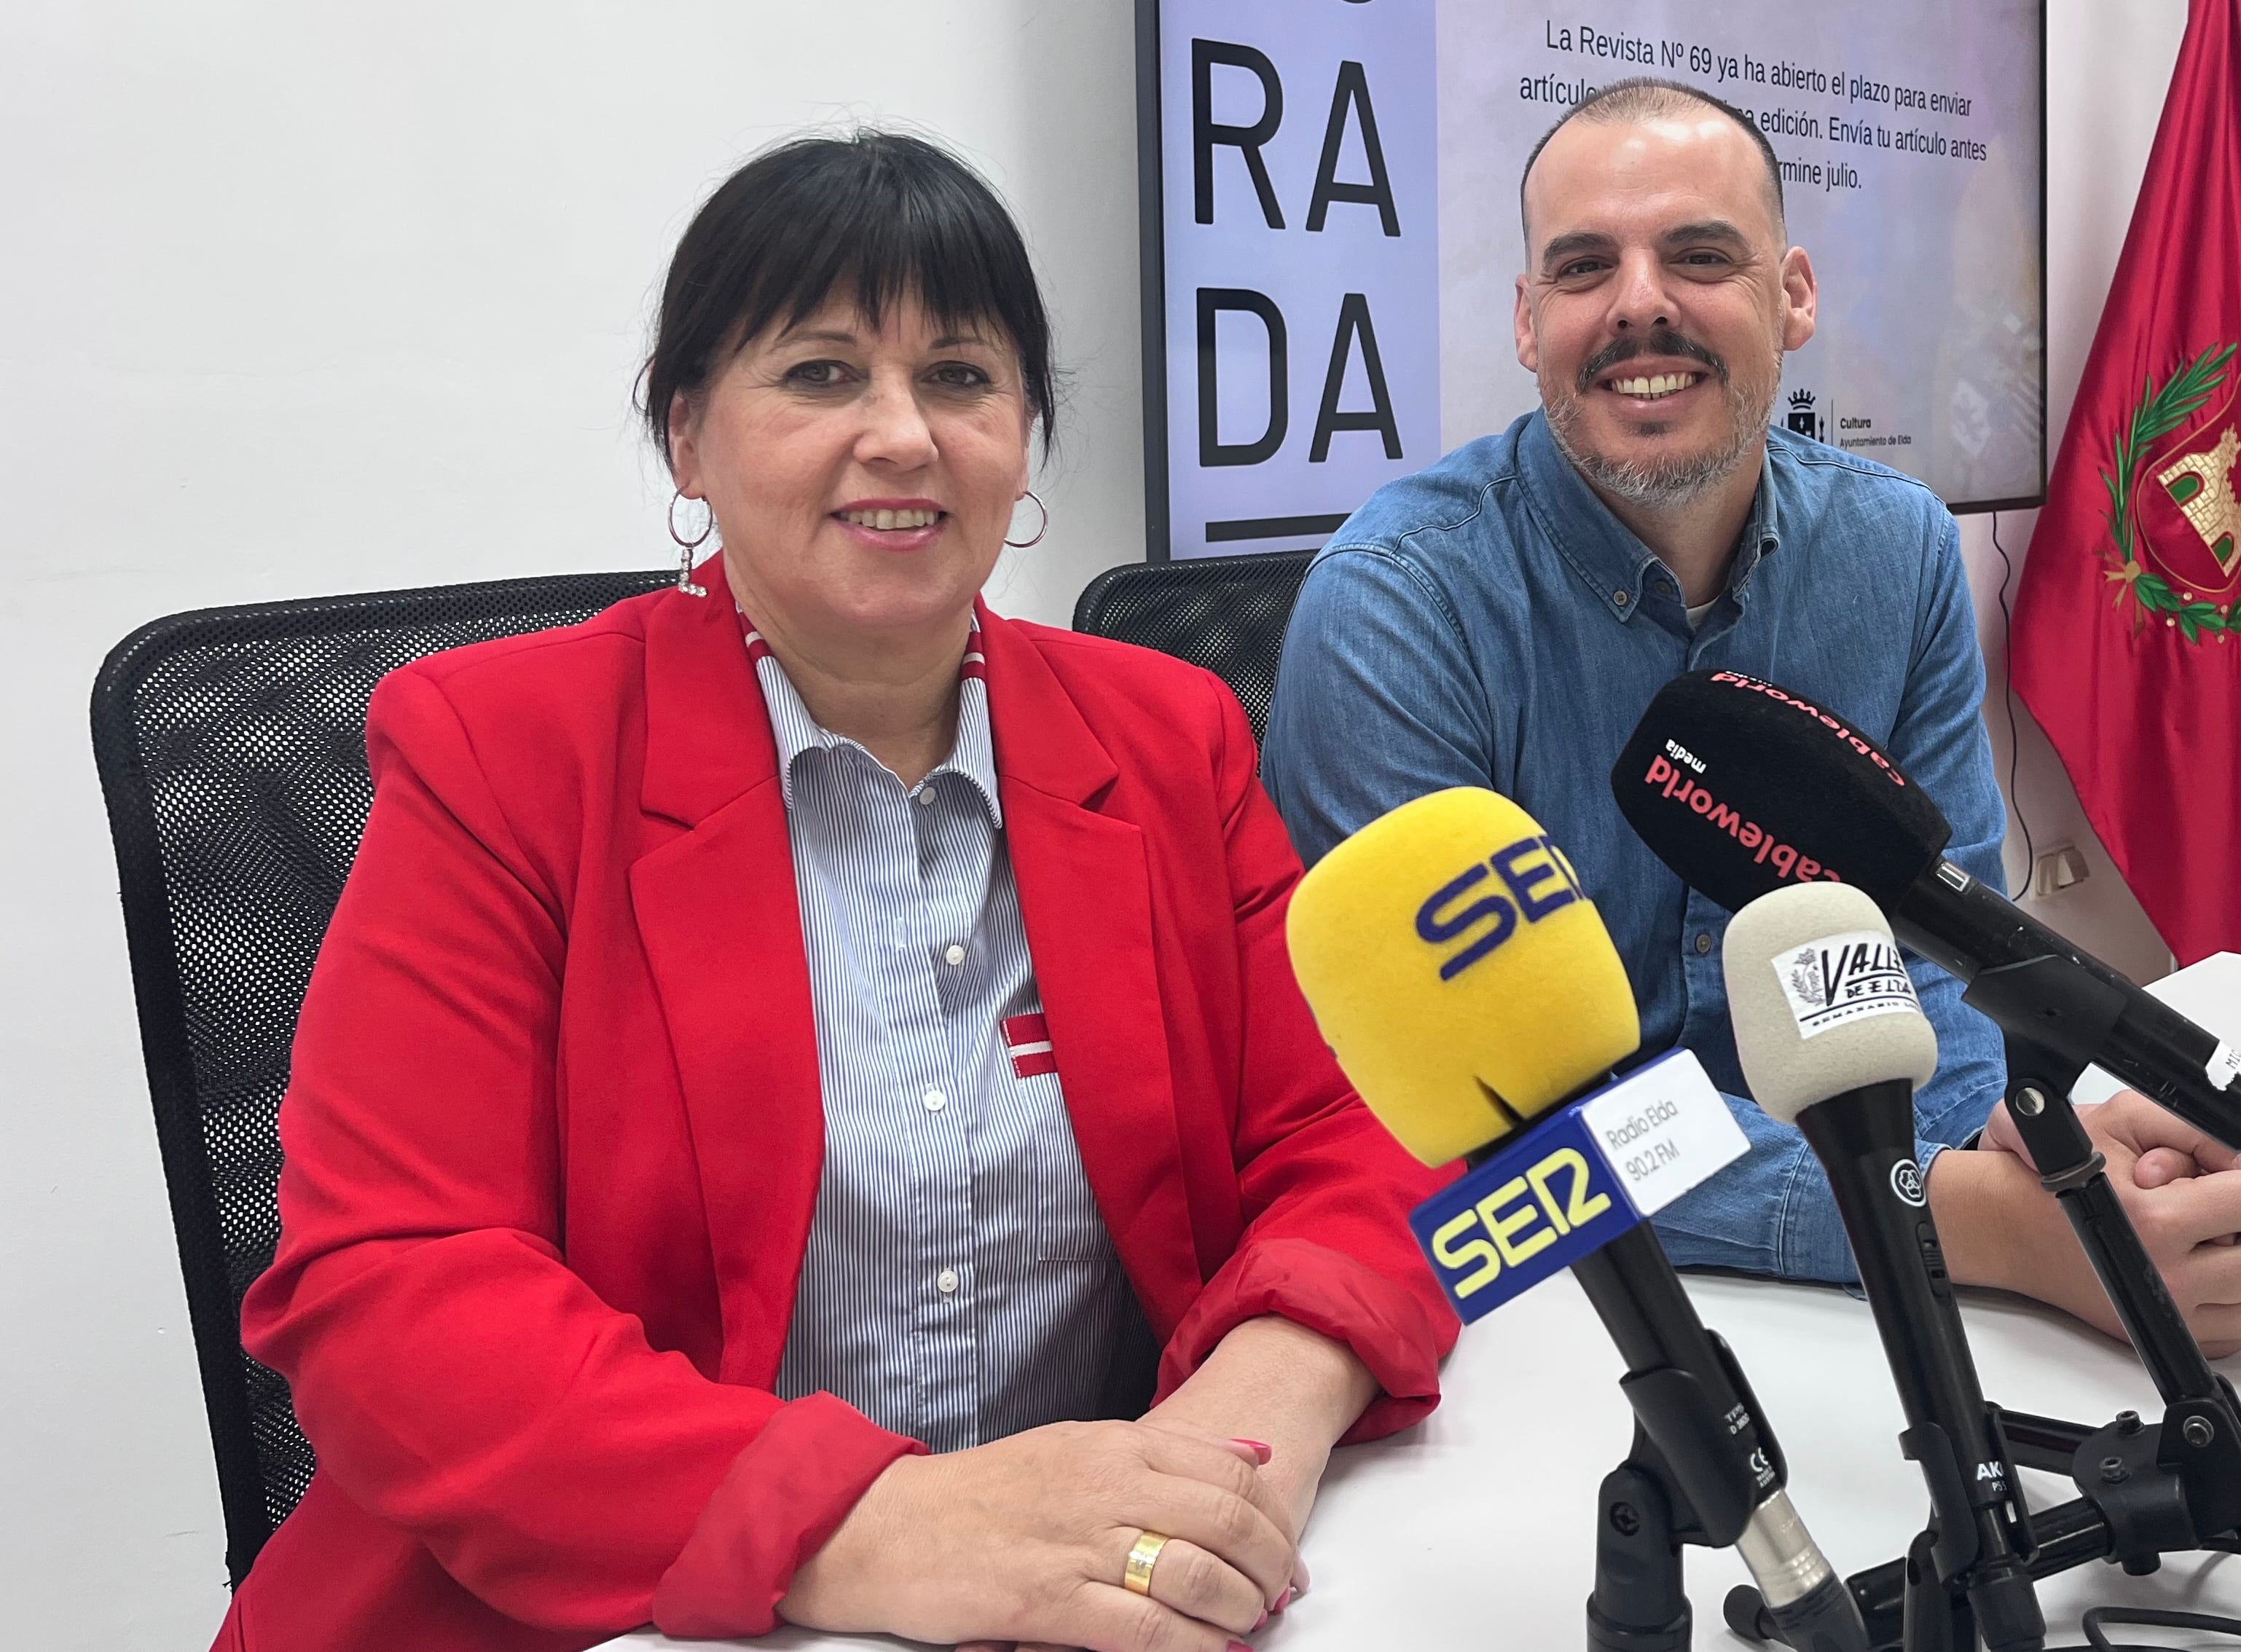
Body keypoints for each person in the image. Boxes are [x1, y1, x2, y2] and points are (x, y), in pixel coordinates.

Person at [218, 131, 1453, 1652]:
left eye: (960, 377)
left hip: (1080, 1594)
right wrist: (870, 1522)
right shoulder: (504, 751)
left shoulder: (1167, 736)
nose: (903, 436)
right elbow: (394, 1288)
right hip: (627, 1612)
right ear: (689, 440)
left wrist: (1260, 1409)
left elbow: (1345, 1133)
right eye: (817, 374)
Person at [1263, 79, 2241, 1357]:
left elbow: (1941, 950)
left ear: (1793, 296)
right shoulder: (1394, 606)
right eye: (1585, 267)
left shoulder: (1898, 548)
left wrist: (2024, 1151)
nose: (1640, 300)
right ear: (1529, 325)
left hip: (1873, 1281)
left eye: (1700, 255)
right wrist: (1984, 1228)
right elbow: (1501, 1127)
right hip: (1560, 1329)